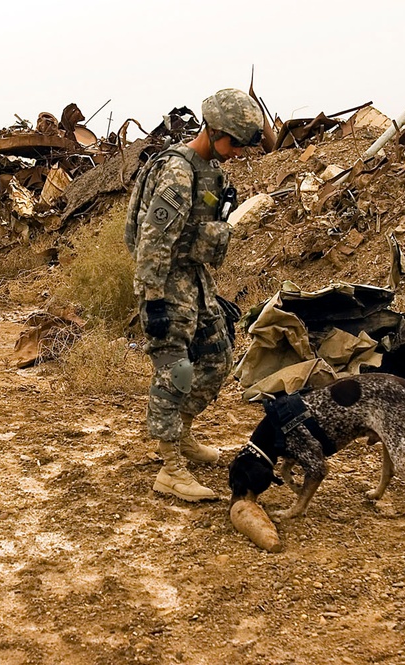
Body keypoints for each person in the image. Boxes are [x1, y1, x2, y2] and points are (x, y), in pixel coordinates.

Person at [125, 88, 263, 501]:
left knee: (218, 358)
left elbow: (196, 233)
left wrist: (219, 213)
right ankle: (169, 467)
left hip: (196, 283)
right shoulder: (177, 173)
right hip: (166, 285)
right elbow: (152, 242)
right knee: (176, 372)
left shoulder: (209, 170)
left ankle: (181, 433)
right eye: (235, 143)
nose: (238, 153)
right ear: (216, 131)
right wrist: (153, 303)